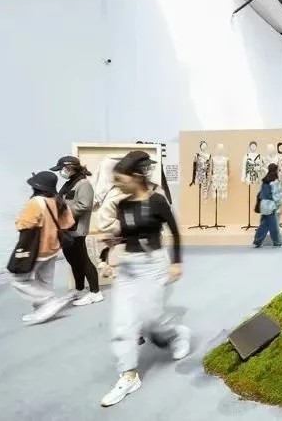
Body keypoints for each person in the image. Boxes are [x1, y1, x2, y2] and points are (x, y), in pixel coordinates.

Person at [100, 151, 190, 407]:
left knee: (151, 319)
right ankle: (128, 375)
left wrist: (176, 262)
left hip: (154, 264)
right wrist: (107, 258)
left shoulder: (157, 201)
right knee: (123, 321)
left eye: (120, 179)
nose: (116, 184)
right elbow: (124, 235)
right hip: (129, 264)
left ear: (136, 176)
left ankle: (177, 334)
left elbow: (175, 232)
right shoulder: (122, 205)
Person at [11, 171, 75, 325]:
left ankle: (48, 301)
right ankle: (42, 310)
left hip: (37, 249)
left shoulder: (36, 202)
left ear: (37, 187)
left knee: (19, 279)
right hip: (53, 248)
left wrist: (19, 219)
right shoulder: (58, 200)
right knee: (45, 281)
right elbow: (69, 223)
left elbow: (23, 225)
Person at [50, 156, 102, 306]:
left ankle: (95, 292)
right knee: (73, 260)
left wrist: (63, 212)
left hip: (77, 229)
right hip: (66, 228)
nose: (61, 172)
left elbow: (85, 205)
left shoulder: (83, 184)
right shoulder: (69, 183)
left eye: (62, 169)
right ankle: (80, 289)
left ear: (70, 168)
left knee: (83, 260)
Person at [253, 163, 282, 248]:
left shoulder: (265, 180)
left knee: (263, 225)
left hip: (263, 204)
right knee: (274, 226)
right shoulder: (275, 181)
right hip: (270, 205)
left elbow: (261, 193)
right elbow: (276, 196)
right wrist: (279, 203)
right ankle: (277, 242)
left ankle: (257, 242)